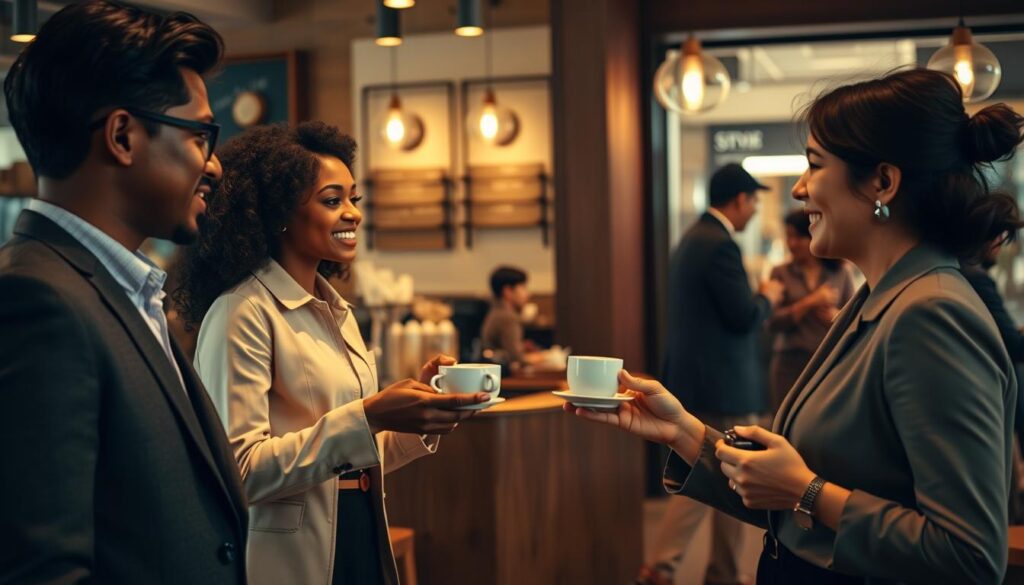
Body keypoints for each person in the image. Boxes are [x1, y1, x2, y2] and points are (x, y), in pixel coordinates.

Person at [572, 68, 1023, 584]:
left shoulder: (931, 313)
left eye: (814, 165)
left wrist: (808, 492)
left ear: (883, 182)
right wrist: (684, 433)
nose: (800, 190)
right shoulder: (881, 297)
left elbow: (970, 555)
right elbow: (790, 502)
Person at [175, 122, 488, 585]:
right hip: (290, 554)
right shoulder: (241, 312)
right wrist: (368, 415)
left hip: (359, 527)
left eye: (354, 200)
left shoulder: (337, 312)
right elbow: (236, 471)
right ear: (280, 212)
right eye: (332, 200)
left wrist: (416, 414)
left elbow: (353, 451)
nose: (353, 214)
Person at [0, 2, 248, 583]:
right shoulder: (38, 302)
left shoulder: (116, 289)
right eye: (201, 135)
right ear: (122, 135)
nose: (213, 166)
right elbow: (41, 569)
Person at [640, 163, 784, 585]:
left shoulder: (691, 239)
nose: (755, 210)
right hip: (722, 385)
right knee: (717, 475)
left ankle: (714, 572)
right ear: (739, 200)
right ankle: (666, 569)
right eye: (754, 201)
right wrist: (768, 297)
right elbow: (742, 317)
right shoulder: (720, 245)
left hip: (697, 379)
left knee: (715, 476)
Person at [767, 210, 855, 411]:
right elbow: (771, 322)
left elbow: (854, 318)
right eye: (788, 237)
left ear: (813, 235)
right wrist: (809, 303)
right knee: (783, 424)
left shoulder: (841, 272)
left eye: (798, 237)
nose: (792, 243)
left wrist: (836, 316)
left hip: (828, 362)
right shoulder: (780, 272)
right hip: (789, 362)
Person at [480, 265, 543, 369]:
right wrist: (546, 357)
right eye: (523, 287)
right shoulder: (507, 317)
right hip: (505, 377)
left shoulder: (496, 311)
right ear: (508, 291)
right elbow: (517, 358)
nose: (527, 294)